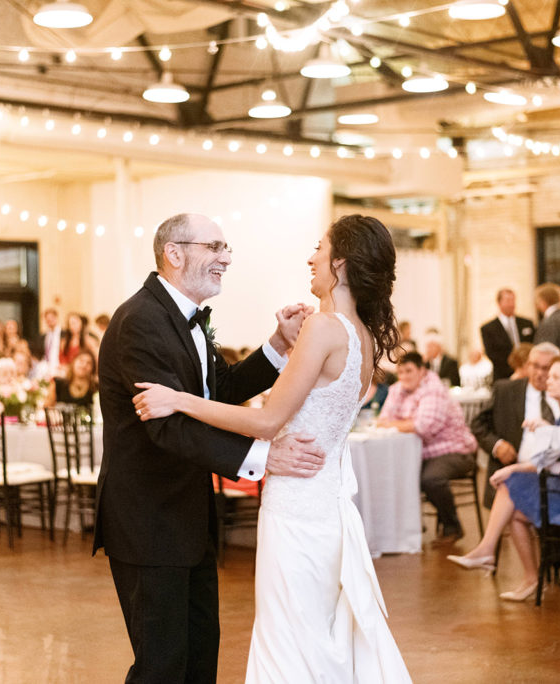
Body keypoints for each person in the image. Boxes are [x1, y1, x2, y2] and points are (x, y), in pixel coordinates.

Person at [130, 213, 411, 682]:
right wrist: (280, 343)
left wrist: (179, 399)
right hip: (326, 505)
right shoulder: (359, 333)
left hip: (296, 507)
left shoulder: (325, 328)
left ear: (339, 264)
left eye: (319, 248)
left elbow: (266, 421)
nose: (310, 257)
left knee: (288, 638)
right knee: (316, 632)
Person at [93, 212, 331, 684]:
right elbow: (170, 426)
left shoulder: (184, 319)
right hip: (148, 521)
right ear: (174, 253)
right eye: (215, 247)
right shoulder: (141, 321)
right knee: (162, 666)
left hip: (187, 518)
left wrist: (277, 346)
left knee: (200, 656)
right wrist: (264, 458)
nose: (226, 258)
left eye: (227, 249)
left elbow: (215, 393)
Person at [448, 353, 560, 601]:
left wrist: (516, 467)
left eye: (556, 376)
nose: (548, 380)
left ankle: (491, 552)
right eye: (549, 376)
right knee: (514, 512)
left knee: (511, 487)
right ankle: (526, 575)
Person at [378, 351, 478, 544]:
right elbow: (383, 419)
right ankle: (408, 526)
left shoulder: (434, 389)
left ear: (422, 371)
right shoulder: (397, 389)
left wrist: (397, 423)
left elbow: (424, 427)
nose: (404, 376)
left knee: (430, 479)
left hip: (455, 450)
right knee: (396, 475)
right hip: (421, 454)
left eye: (409, 371)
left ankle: (452, 525)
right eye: (401, 372)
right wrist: (407, 422)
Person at [470, 343, 560, 508]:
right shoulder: (506, 390)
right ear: (527, 365)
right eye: (535, 366)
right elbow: (478, 424)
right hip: (512, 467)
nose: (540, 373)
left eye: (546, 368)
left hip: (553, 472)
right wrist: (497, 446)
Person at [481, 287, 536, 382]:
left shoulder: (527, 323)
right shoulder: (488, 328)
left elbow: (533, 345)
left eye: (513, 300)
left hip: (528, 375)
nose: (511, 304)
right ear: (499, 303)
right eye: (508, 300)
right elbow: (492, 354)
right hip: (503, 376)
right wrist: (516, 370)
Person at [40, 308, 63, 376]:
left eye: (52, 317)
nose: (50, 320)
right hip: (47, 366)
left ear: (56, 317)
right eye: (47, 318)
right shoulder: (44, 336)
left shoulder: (64, 334)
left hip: (59, 366)